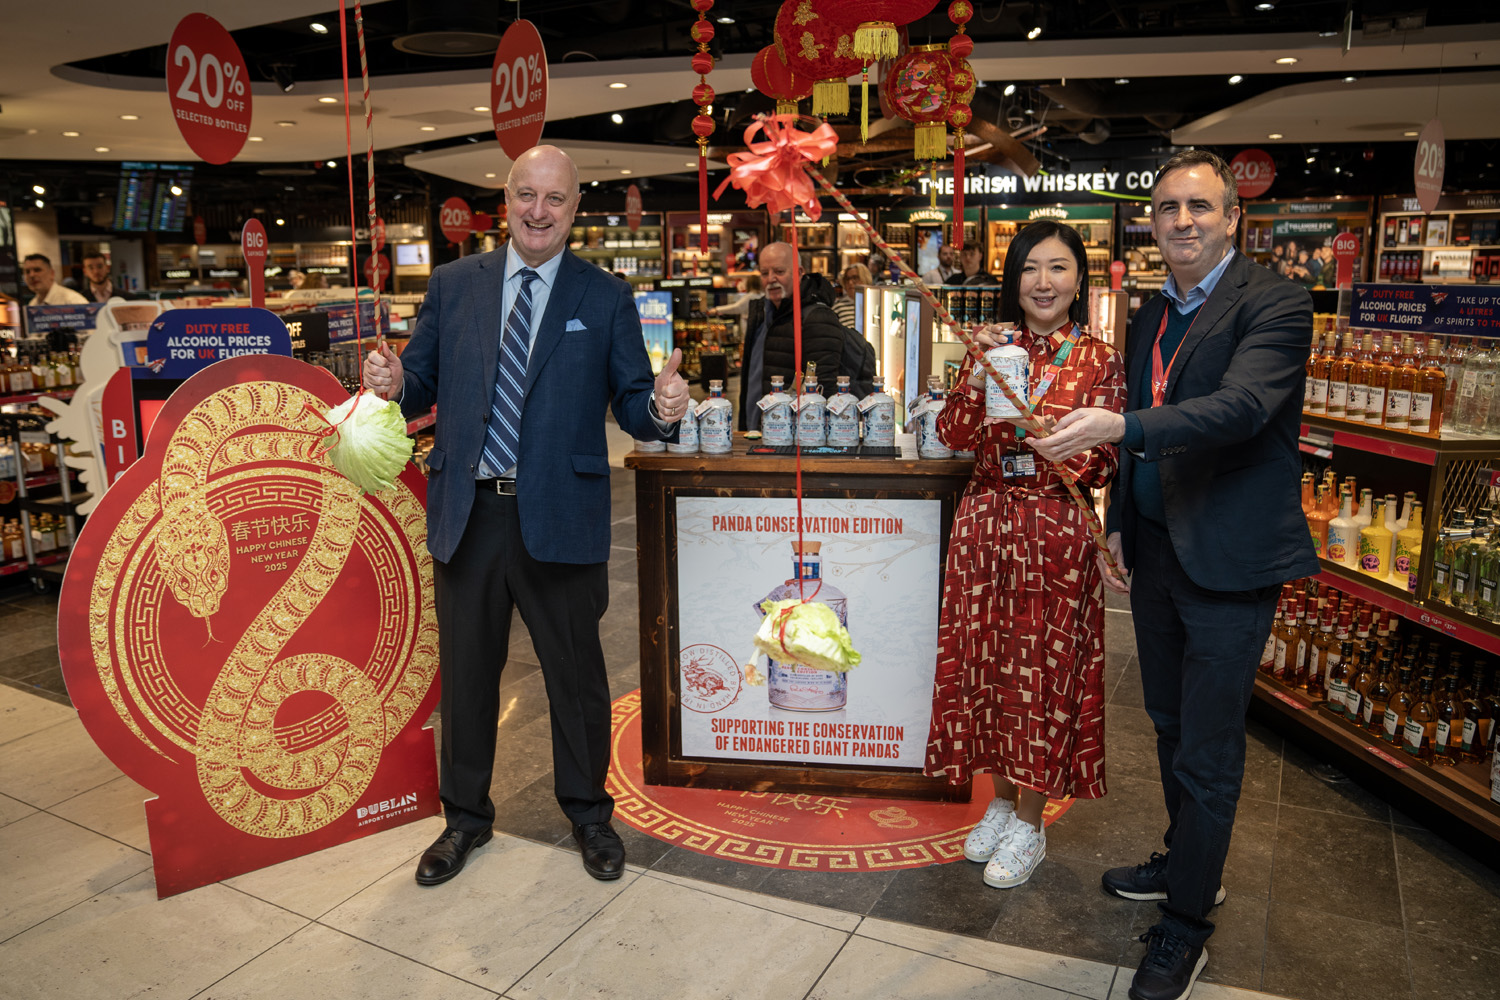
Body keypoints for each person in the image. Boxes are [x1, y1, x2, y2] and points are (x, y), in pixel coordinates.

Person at [1027, 150, 1316, 1000]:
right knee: (1166, 724)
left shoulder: (1276, 302)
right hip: (1154, 549)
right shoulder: (1153, 311)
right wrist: (1116, 521)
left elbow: (1240, 409)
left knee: (1212, 751)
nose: (1181, 221)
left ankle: (1186, 923)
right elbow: (1139, 433)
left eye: (1198, 207)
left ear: (1232, 218)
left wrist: (1120, 424)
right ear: (1150, 224)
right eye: (1165, 209)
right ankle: (1186, 859)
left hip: (1229, 559)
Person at [361, 145, 692, 888]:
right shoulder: (454, 285)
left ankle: (589, 815)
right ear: (505, 199)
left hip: (561, 517)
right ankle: (464, 820)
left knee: (575, 678)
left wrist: (662, 411)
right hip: (467, 512)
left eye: (555, 199)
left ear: (576, 210)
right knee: (468, 675)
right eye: (526, 195)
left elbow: (632, 399)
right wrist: (390, 382)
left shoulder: (602, 295)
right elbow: (418, 385)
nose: (539, 211)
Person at [925, 220, 1125, 891]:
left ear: (1079, 279)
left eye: (1059, 267)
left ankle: (1032, 821)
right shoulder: (995, 348)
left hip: (1054, 533)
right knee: (988, 669)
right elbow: (952, 434)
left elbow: (1105, 464)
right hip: (985, 523)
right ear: (1014, 281)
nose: (1044, 282)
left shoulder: (1098, 360)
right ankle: (1001, 805)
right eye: (1031, 268)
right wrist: (973, 369)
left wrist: (1057, 440)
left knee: (1042, 673)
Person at [736, 241, 845, 430]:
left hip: (792, 442)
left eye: (779, 271)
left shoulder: (817, 317)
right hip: (757, 434)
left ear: (799, 272)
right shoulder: (761, 312)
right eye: (764, 273)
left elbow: (823, 391)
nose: (771, 279)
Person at [22, 254, 88, 306]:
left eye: (37, 270)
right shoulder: (33, 304)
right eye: (27, 272)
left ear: (52, 273)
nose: (32, 275)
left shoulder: (73, 301)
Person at [833, 263, 870, 329]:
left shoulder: (875, 305)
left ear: (865, 279)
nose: (850, 282)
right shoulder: (838, 307)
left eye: (855, 278)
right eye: (847, 279)